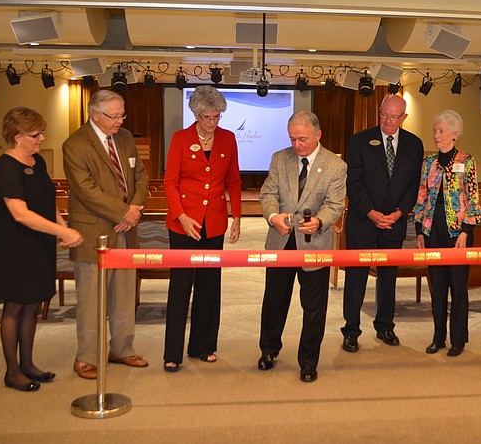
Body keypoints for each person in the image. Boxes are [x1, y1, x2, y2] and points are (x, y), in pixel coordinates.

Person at [0, 107, 83, 392]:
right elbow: (20, 213)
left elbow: (46, 200)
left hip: (38, 242)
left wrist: (60, 223)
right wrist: (63, 232)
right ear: (17, 137)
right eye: (35, 134)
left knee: (33, 304)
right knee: (14, 307)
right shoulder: (4, 167)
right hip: (13, 246)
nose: (41, 138)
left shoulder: (37, 162)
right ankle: (12, 371)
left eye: (41, 132)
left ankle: (27, 364)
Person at [63, 89, 149, 379]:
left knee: (124, 295)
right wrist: (123, 212)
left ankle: (122, 349)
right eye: (114, 116)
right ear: (95, 115)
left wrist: (135, 208)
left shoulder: (124, 138)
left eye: (122, 114)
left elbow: (141, 175)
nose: (120, 121)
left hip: (127, 228)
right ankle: (86, 357)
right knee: (92, 299)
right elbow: (86, 190)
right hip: (94, 231)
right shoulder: (75, 144)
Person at [257, 111, 347, 382]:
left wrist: (320, 221)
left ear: (318, 135)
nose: (296, 145)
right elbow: (268, 194)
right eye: (292, 139)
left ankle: (308, 361)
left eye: (302, 139)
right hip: (281, 241)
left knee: (314, 306)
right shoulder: (278, 158)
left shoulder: (335, 165)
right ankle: (268, 350)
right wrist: (274, 217)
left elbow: (335, 204)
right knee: (274, 301)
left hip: (314, 244)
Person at [163, 86, 242, 372]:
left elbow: (233, 181)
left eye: (217, 116)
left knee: (210, 286)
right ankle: (172, 352)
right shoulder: (180, 139)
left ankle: (204, 345)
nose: (212, 122)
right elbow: (170, 182)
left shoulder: (228, 139)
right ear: (196, 115)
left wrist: (236, 217)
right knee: (181, 286)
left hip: (214, 222)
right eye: (207, 117)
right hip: (184, 224)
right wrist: (181, 216)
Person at [340, 95, 424, 352]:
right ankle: (351, 330)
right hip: (363, 220)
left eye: (394, 117)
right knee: (356, 277)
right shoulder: (360, 140)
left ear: (404, 118)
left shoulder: (414, 144)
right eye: (384, 115)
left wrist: (399, 213)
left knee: (388, 277)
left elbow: (413, 185)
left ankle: (385, 325)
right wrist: (371, 213)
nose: (387, 121)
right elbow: (353, 183)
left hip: (394, 222)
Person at [413, 110, 481, 357]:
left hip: (458, 231)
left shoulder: (467, 160)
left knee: (458, 286)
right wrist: (419, 230)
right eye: (435, 131)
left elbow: (473, 199)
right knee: (438, 285)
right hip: (433, 227)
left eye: (441, 131)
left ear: (455, 134)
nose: (436, 135)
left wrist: (466, 231)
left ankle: (458, 340)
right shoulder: (428, 163)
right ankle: (438, 337)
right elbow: (421, 196)